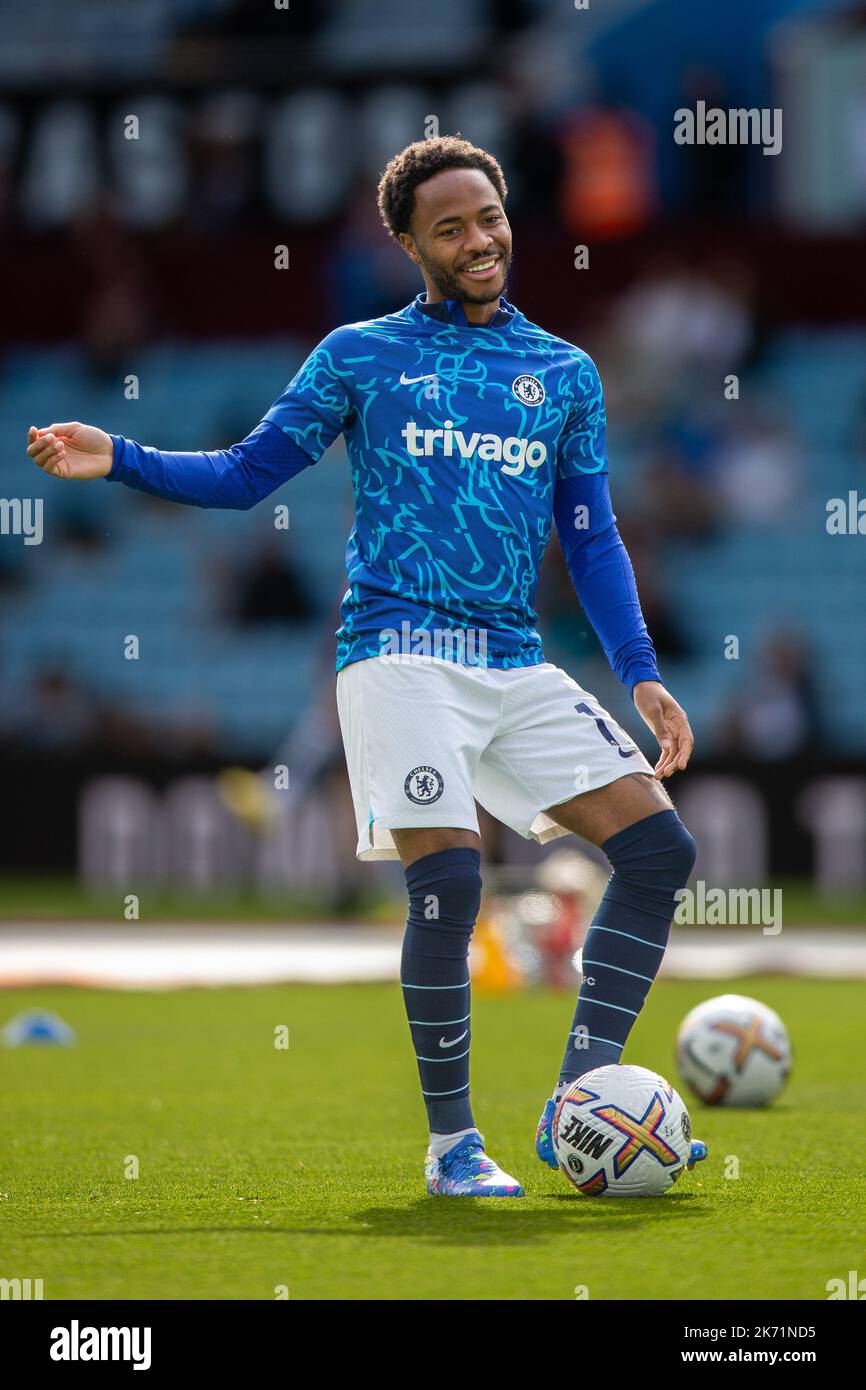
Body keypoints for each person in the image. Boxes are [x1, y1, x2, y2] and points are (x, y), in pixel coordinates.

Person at [26, 135, 704, 1198]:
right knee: (446, 881)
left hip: (511, 658)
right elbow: (250, 474)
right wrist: (119, 456)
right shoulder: (358, 354)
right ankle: (450, 1152)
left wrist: (639, 670)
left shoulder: (562, 372)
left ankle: (582, 1101)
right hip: (395, 653)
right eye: (449, 228)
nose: (478, 240)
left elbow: (589, 532)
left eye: (487, 217)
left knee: (659, 852)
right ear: (406, 244)